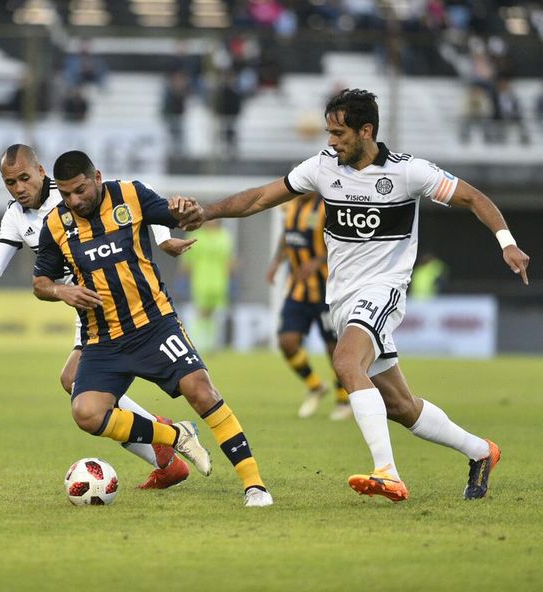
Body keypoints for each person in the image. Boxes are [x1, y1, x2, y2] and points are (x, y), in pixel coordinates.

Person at [171, 88, 530, 502]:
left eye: (339, 133)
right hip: (341, 298)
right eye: (328, 132)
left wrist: (506, 241)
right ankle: (482, 452)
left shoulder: (408, 172)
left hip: (383, 290)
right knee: (400, 405)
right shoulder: (322, 168)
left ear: (366, 130)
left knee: (344, 361)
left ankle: (388, 474)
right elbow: (260, 198)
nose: (331, 141)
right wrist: (208, 212)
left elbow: (472, 197)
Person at [32, 150, 272, 507]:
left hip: (154, 326)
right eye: (66, 194)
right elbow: (41, 282)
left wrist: (185, 210)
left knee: (201, 391)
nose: (74, 200)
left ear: (96, 177)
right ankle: (173, 434)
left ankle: (254, 485)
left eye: (80, 190)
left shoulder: (131, 195)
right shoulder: (55, 224)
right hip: (103, 340)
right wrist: (60, 290)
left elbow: (179, 216)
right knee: (86, 412)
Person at [0, 144, 195, 490]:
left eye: (24, 178)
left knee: (79, 387)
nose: (18, 188)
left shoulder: (73, 190)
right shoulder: (14, 215)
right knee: (75, 383)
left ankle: (162, 442)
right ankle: (164, 453)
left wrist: (163, 239)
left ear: (41, 171)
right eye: (10, 183)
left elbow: (131, 202)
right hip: (83, 305)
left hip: (115, 300)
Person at [266, 193, 351, 420]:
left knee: (334, 348)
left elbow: (342, 244)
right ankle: (315, 386)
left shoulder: (328, 207)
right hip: (298, 289)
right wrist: (276, 262)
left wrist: (316, 261)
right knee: (287, 342)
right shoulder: (290, 206)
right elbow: (287, 236)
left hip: (326, 290)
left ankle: (344, 400)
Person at [180, 219, 235, 352]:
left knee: (215, 313)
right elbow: (187, 261)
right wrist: (183, 279)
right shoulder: (195, 236)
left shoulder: (225, 235)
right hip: (201, 279)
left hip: (219, 281)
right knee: (201, 312)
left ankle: (212, 343)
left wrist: (231, 275)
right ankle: (198, 342)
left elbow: (229, 259)